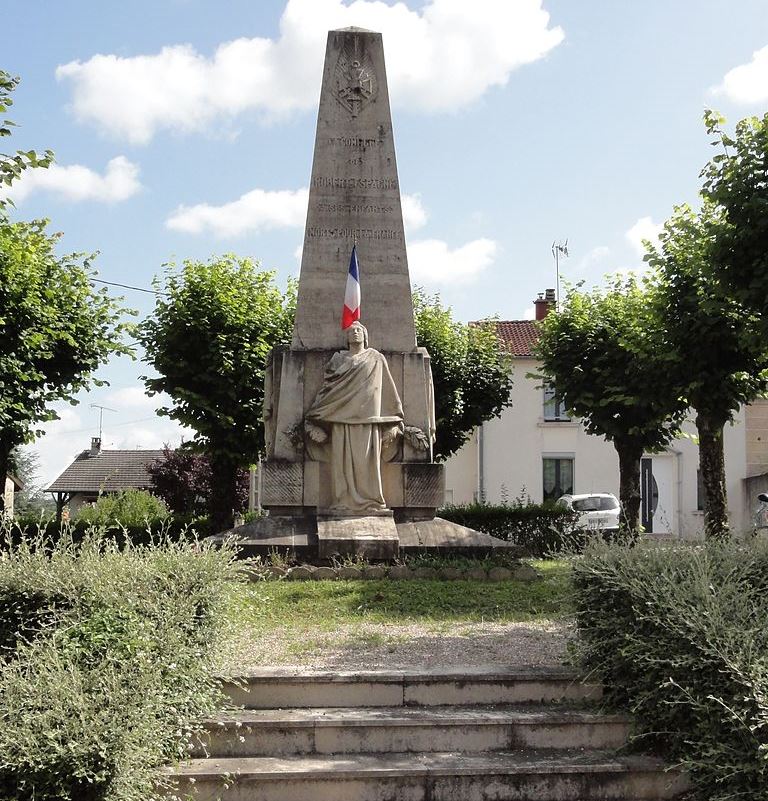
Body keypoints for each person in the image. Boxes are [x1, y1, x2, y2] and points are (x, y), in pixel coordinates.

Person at [305, 321, 402, 513]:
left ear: (365, 335)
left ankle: (372, 500)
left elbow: (388, 390)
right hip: (341, 417)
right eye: (351, 331)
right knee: (341, 463)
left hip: (369, 418)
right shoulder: (338, 360)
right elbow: (329, 388)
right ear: (346, 337)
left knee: (367, 463)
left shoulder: (376, 358)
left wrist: (394, 421)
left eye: (359, 330)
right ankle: (342, 500)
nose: (355, 333)